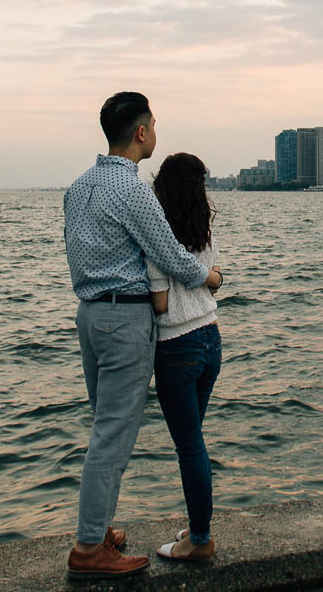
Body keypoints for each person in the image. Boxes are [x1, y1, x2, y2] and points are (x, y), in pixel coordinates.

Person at [62, 92, 224, 580]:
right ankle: (90, 548)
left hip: (89, 315)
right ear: (140, 132)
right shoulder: (131, 192)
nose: (155, 132)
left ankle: (99, 527)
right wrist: (211, 277)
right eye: (153, 124)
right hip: (125, 320)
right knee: (114, 434)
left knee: (103, 426)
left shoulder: (77, 187)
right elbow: (172, 258)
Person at [145, 152, 223, 563]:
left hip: (177, 345)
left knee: (190, 447)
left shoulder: (158, 233)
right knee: (194, 443)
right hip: (211, 339)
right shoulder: (204, 228)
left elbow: (159, 303)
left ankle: (200, 538)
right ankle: (198, 524)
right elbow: (211, 282)